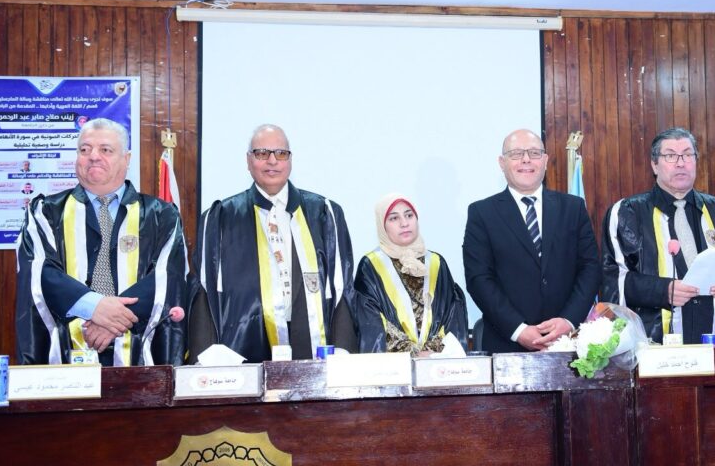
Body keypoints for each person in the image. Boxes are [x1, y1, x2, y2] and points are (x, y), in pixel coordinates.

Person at [15, 118, 187, 365]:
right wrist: (94, 306)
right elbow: (39, 269)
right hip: (65, 350)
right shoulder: (46, 212)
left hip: (139, 351)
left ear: (126, 159)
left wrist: (111, 319)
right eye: (85, 150)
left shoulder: (160, 215)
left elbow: (168, 274)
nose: (93, 156)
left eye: (105, 150)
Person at [189, 124, 355, 362]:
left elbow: (342, 287)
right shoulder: (220, 218)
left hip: (312, 345)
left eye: (281, 153)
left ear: (290, 160)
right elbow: (203, 294)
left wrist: (343, 353)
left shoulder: (325, 213)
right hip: (244, 346)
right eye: (261, 153)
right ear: (248, 161)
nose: (272, 161)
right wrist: (204, 360)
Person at [601, 128, 715, 346]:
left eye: (687, 155)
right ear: (655, 165)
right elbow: (614, 279)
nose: (681, 163)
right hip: (655, 342)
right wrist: (662, 291)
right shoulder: (628, 213)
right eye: (670, 155)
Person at [463, 128, 600, 353]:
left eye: (534, 153)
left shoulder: (573, 208)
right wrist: (518, 330)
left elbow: (590, 268)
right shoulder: (482, 213)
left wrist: (568, 320)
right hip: (506, 345)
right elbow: (479, 279)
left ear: (545, 161)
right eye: (516, 153)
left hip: (568, 343)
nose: (526, 159)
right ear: (502, 163)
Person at [354, 194, 468, 354]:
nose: (404, 223)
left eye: (409, 215)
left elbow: (452, 317)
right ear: (382, 225)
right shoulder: (370, 266)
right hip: (394, 364)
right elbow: (371, 324)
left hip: (436, 362)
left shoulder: (436, 263)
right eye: (394, 218)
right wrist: (414, 353)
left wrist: (434, 352)